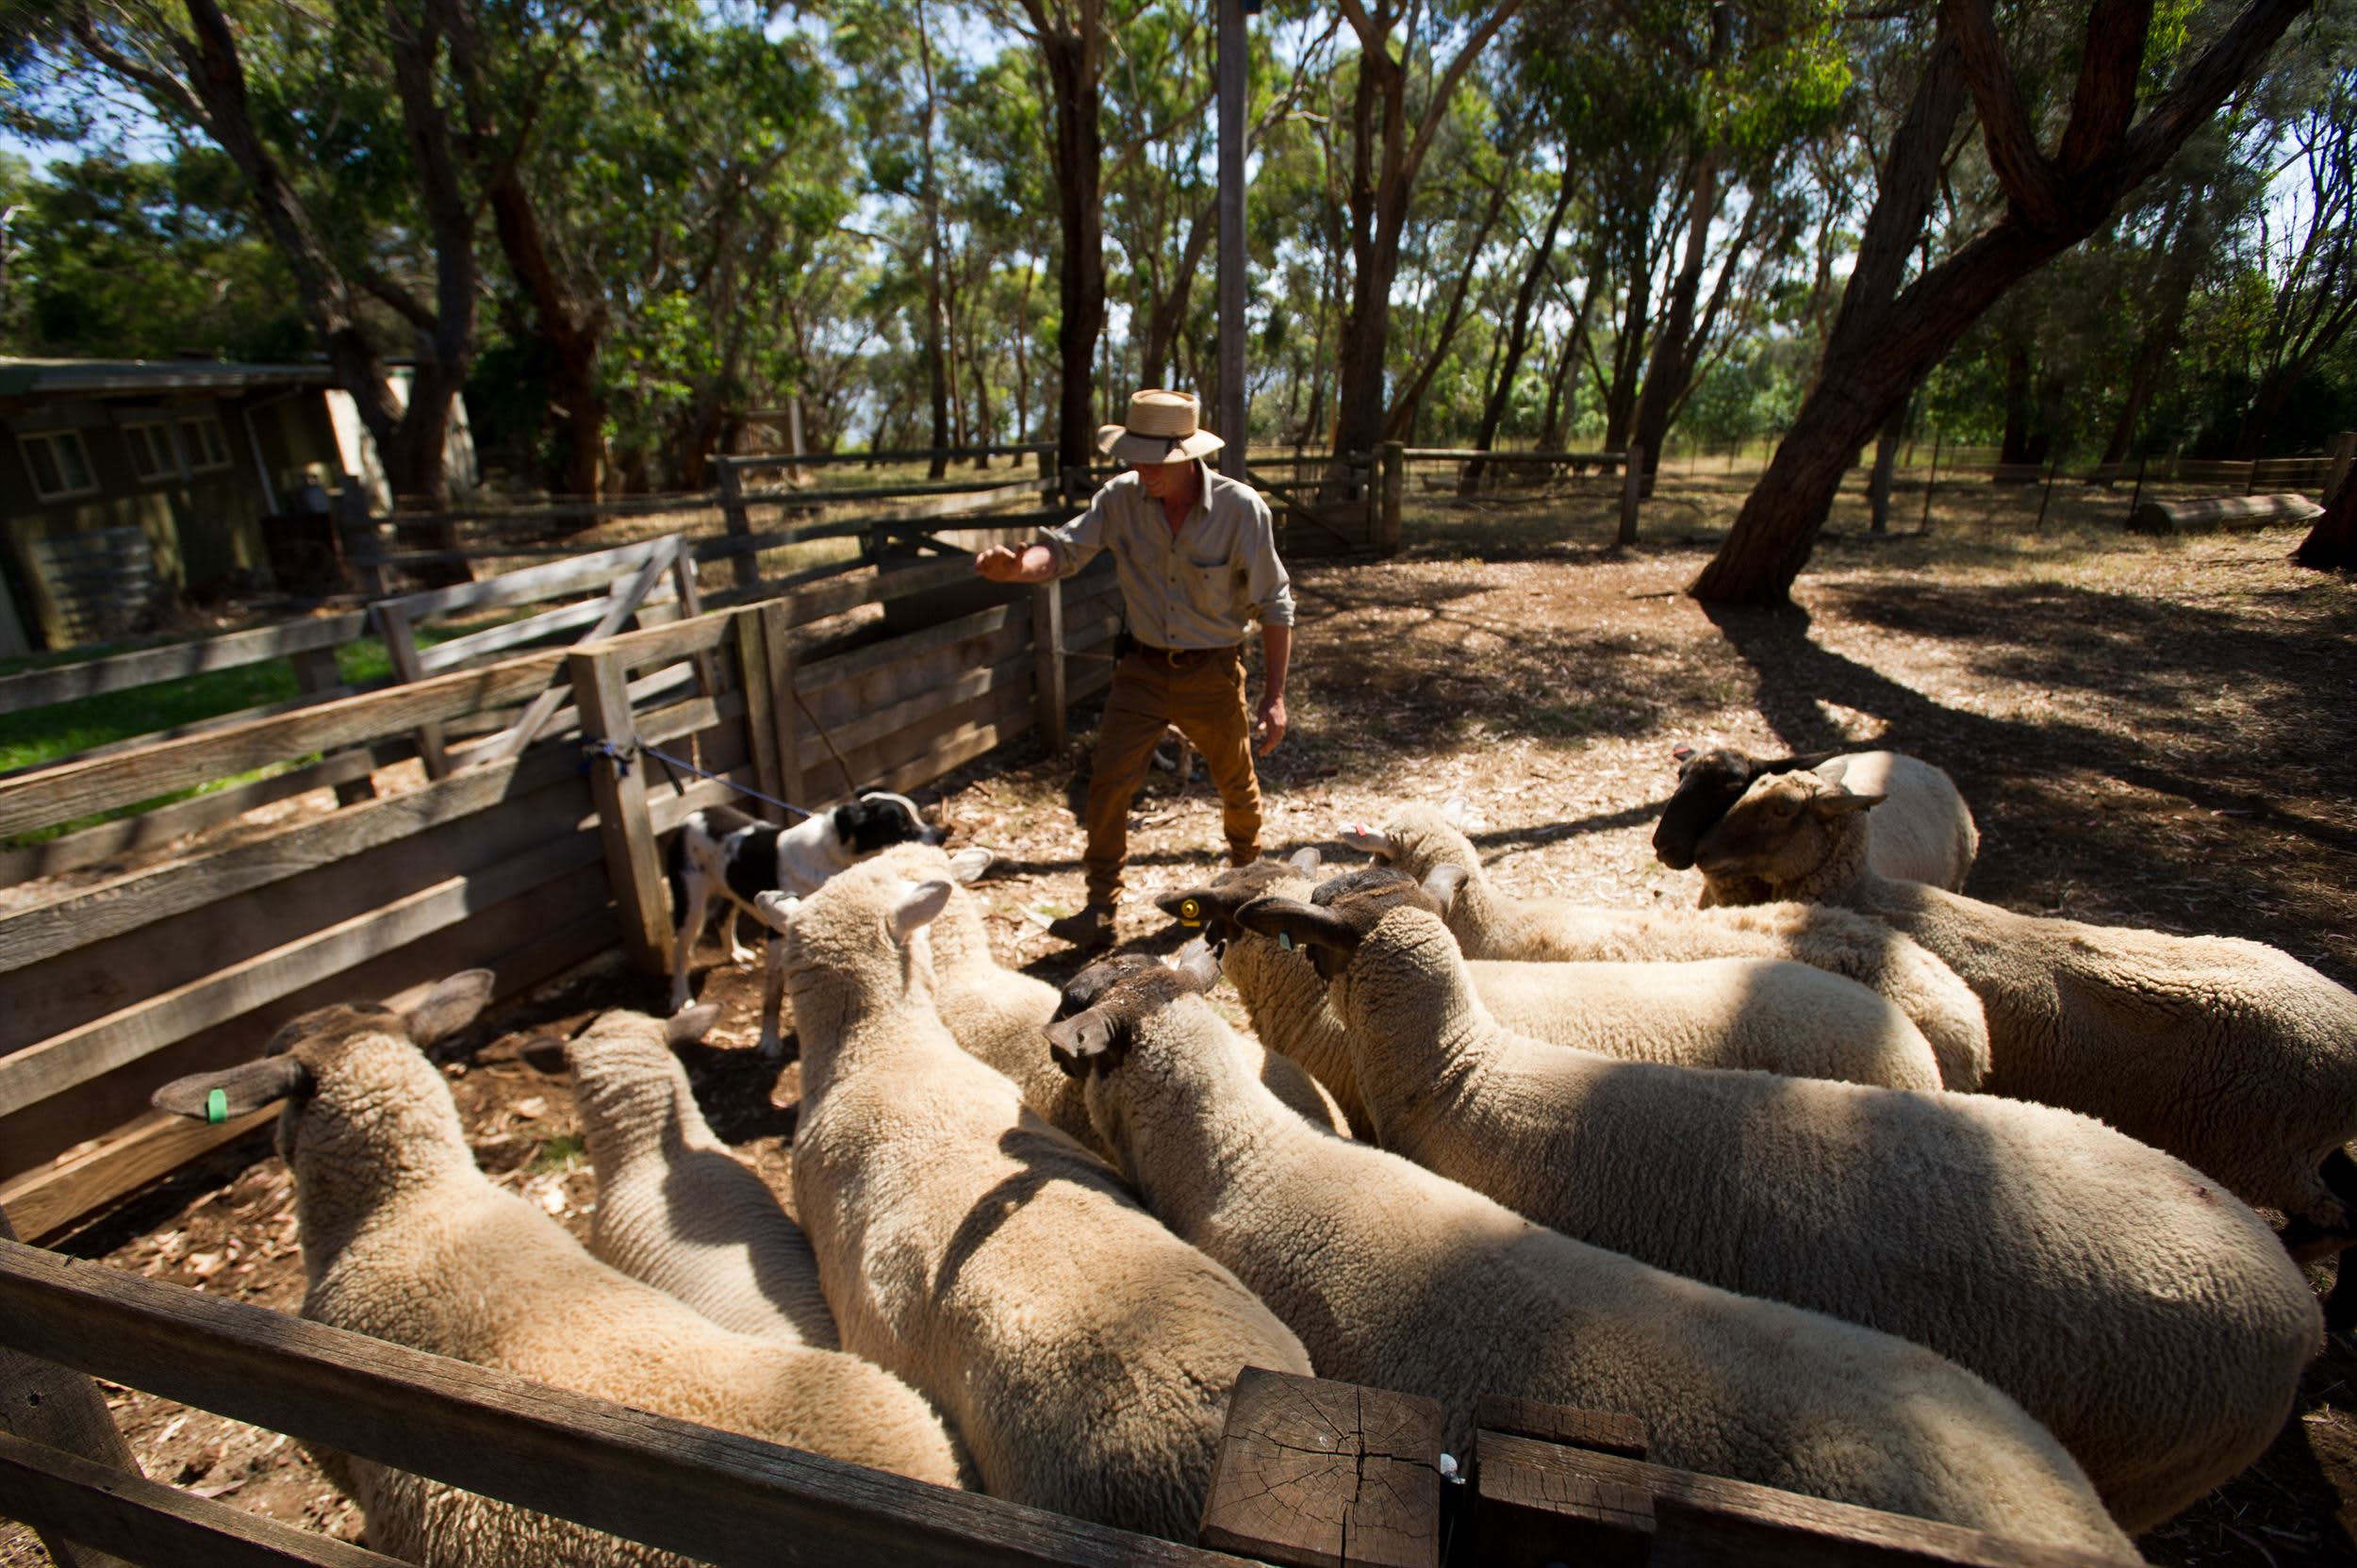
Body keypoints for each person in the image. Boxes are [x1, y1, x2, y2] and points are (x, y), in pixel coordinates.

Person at [975, 388, 1294, 949]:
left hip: (1212, 672)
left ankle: (1246, 891)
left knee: (1236, 786)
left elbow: (1276, 604)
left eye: (1154, 459)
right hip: (1140, 671)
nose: (1141, 468)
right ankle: (1100, 910)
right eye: (1134, 455)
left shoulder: (1242, 510)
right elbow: (1066, 549)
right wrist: (1019, 568)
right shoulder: (1121, 498)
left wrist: (1275, 697)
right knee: (1107, 785)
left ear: (1188, 455)